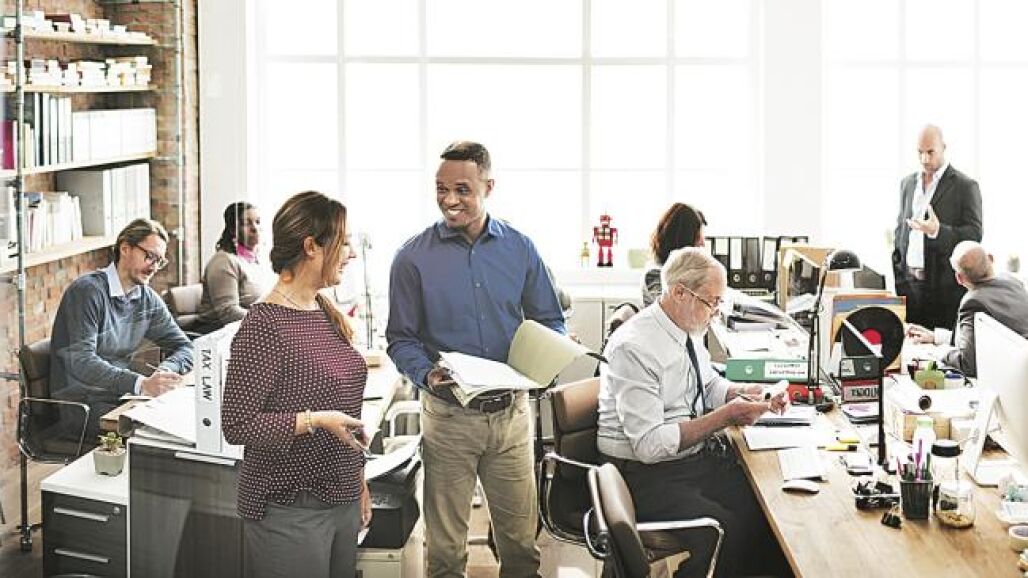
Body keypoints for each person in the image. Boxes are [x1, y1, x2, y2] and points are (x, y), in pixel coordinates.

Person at [387, 141, 565, 578]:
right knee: (445, 554)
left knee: (521, 549)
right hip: (448, 417)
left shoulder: (520, 248)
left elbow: (550, 321)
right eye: (441, 189)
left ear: (489, 186)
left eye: (462, 190)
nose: (450, 200)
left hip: (511, 418)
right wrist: (426, 373)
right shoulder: (412, 258)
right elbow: (400, 339)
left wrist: (546, 359)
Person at [597, 247, 789, 578]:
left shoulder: (685, 327)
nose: (716, 311)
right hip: (643, 475)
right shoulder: (635, 346)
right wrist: (726, 415)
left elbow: (708, 384)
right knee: (726, 529)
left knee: (769, 513)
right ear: (679, 293)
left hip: (686, 462)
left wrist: (745, 392)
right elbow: (649, 445)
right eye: (711, 302)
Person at [221, 191, 371, 578]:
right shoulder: (264, 325)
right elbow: (237, 425)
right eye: (344, 242)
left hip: (341, 497)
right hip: (290, 509)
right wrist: (316, 420)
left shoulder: (322, 308)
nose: (352, 253)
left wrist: (358, 481)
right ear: (311, 247)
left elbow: (347, 410)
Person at [50, 218, 193, 440]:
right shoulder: (87, 292)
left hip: (119, 397)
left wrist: (164, 372)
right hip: (80, 405)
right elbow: (82, 362)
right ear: (125, 248)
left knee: (184, 419)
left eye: (160, 261)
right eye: (150, 256)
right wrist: (141, 384)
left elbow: (185, 347)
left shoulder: (146, 298)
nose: (154, 267)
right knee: (157, 435)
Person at [892, 124, 983, 331]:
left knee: (939, 347)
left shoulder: (965, 186)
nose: (924, 159)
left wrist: (937, 231)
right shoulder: (907, 183)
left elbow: (974, 234)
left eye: (930, 152)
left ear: (943, 148)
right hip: (908, 287)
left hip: (943, 292)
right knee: (910, 345)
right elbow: (900, 230)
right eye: (920, 152)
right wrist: (899, 274)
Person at [906, 241, 1028, 377]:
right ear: (991, 259)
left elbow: (967, 363)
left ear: (959, 278)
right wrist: (936, 337)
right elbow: (987, 341)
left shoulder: (973, 301)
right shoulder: (1014, 283)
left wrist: (937, 351)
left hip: (1007, 378)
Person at [196, 201, 265, 331]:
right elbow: (229, 313)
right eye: (246, 223)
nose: (255, 228)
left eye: (258, 222)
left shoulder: (257, 261)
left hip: (252, 329)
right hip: (220, 333)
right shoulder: (224, 261)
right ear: (233, 230)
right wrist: (269, 322)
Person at [642, 202, 707, 306]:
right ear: (684, 239)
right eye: (698, 237)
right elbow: (676, 309)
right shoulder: (655, 274)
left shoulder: (682, 269)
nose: (702, 244)